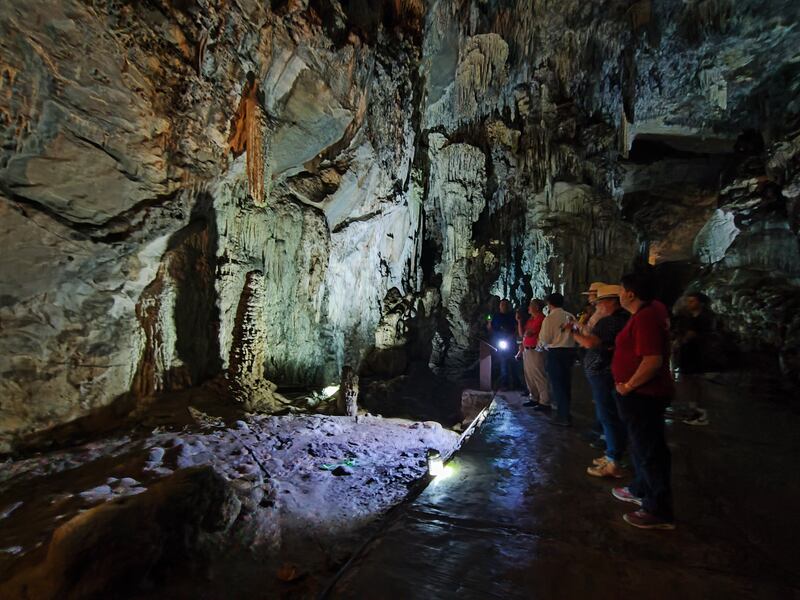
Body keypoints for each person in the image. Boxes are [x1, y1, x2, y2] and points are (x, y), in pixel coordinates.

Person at [611, 273, 675, 530]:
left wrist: (628, 385)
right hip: (641, 396)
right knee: (643, 448)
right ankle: (642, 488)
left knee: (649, 451)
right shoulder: (648, 313)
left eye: (621, 289)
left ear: (631, 293)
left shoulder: (646, 316)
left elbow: (652, 360)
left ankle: (657, 510)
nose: (618, 294)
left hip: (643, 396)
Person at [573, 285, 629, 478]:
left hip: (602, 372)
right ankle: (614, 453)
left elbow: (590, 343)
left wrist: (572, 333)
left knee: (608, 415)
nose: (597, 304)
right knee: (611, 414)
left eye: (600, 301)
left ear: (613, 301)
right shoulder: (624, 319)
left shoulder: (610, 322)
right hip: (609, 372)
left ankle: (614, 460)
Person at [672, 292, 715, 425]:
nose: (689, 304)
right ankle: (694, 409)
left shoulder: (704, 317)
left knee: (694, 381)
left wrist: (679, 342)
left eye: (692, 301)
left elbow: (692, 333)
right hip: (690, 353)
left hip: (697, 353)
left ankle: (700, 412)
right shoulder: (691, 316)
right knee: (690, 381)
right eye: (688, 301)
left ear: (700, 302)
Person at [538, 292, 577, 426]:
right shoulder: (570, 316)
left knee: (557, 385)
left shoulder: (549, 319)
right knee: (566, 383)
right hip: (570, 351)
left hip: (556, 352)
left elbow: (545, 339)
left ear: (549, 304)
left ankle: (563, 416)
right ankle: (567, 413)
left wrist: (544, 345)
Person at [518, 299, 549, 410]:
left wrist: (527, 334)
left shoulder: (541, 318)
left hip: (536, 350)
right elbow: (523, 334)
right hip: (527, 349)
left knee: (538, 375)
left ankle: (544, 401)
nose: (528, 308)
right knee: (529, 375)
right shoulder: (531, 319)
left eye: (530, 306)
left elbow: (529, 333)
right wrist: (519, 321)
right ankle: (534, 398)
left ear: (536, 307)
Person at [489, 299, 521, 390]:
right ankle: (505, 384)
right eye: (502, 304)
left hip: (511, 342)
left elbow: (516, 328)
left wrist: (512, 336)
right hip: (500, 342)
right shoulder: (496, 316)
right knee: (503, 363)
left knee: (514, 362)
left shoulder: (512, 315)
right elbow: (492, 329)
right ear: (499, 306)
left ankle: (516, 383)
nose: (504, 306)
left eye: (506, 305)